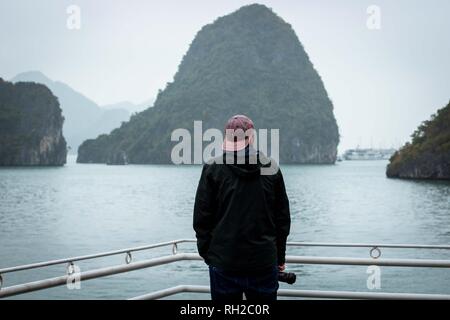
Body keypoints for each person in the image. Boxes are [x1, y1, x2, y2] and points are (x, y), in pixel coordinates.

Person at [193, 114, 291, 302]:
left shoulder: (213, 168)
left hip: (224, 262)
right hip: (263, 261)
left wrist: (210, 256)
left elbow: (201, 219)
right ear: (252, 137)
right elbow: (282, 220)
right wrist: (279, 257)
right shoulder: (271, 168)